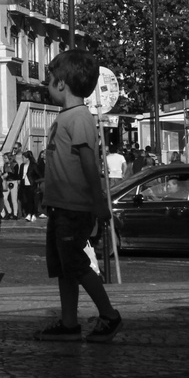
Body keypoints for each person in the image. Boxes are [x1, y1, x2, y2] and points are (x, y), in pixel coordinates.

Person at [33, 49, 121, 342]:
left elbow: (88, 163)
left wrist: (98, 203)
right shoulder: (68, 116)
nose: (47, 86)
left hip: (73, 208)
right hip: (60, 206)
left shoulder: (80, 117)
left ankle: (108, 314)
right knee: (64, 268)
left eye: (49, 81)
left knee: (76, 265)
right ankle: (69, 322)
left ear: (60, 84)